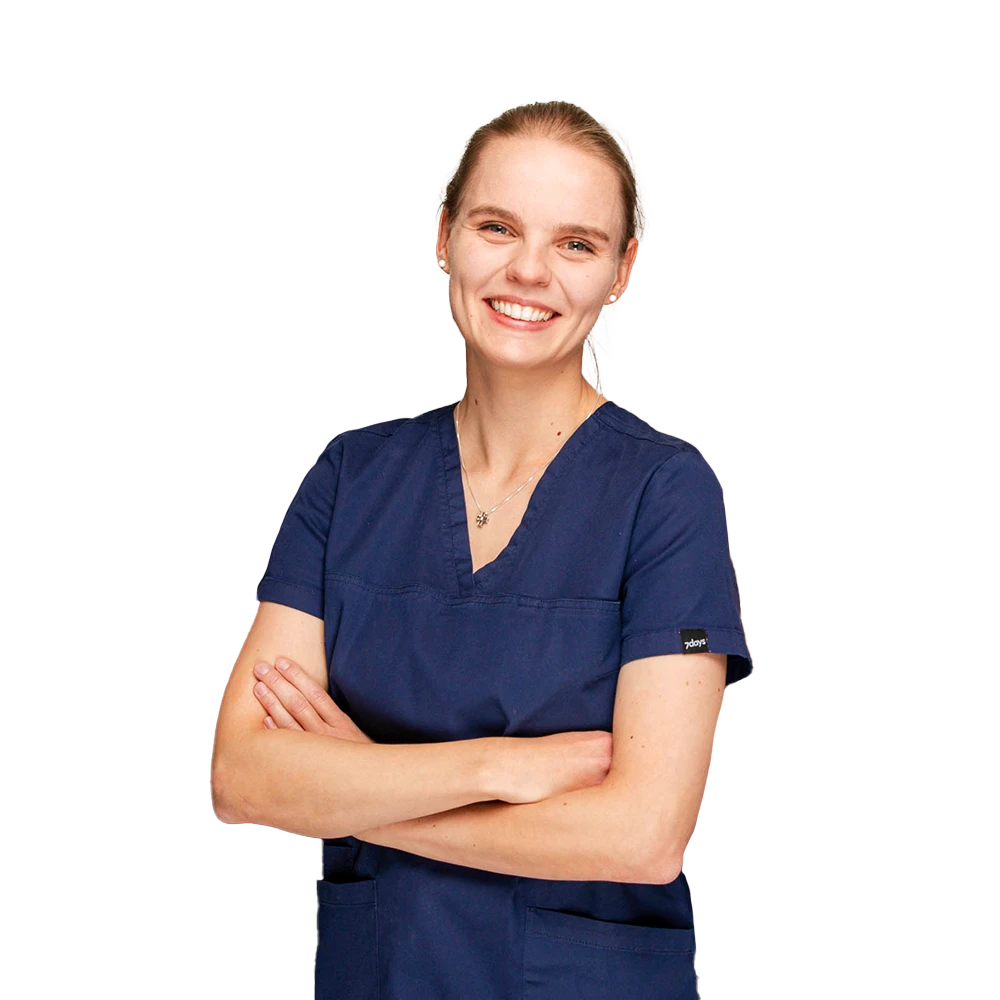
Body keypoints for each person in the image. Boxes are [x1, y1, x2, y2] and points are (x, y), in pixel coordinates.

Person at [210, 99, 753, 1000]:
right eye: (497, 227)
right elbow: (242, 776)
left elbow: (642, 838)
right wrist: (497, 768)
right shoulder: (349, 478)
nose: (529, 270)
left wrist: (360, 789)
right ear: (445, 236)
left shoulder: (666, 494)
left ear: (621, 272)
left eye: (576, 243)